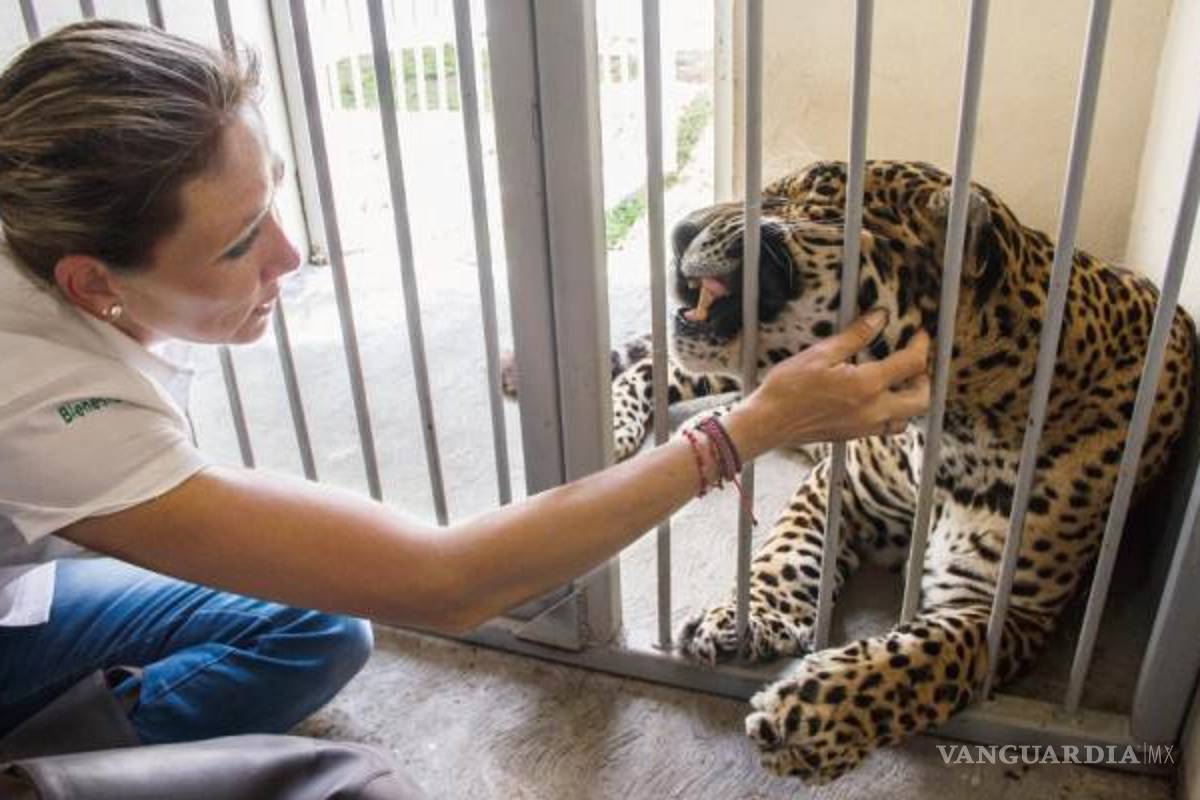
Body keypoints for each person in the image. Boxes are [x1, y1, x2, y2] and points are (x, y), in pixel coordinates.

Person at [0, 20, 930, 749]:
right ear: (92, 284)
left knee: (318, 626)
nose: (289, 252)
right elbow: (447, 584)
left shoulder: (43, 237)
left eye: (274, 197)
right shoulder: (42, 398)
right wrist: (744, 429)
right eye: (240, 243)